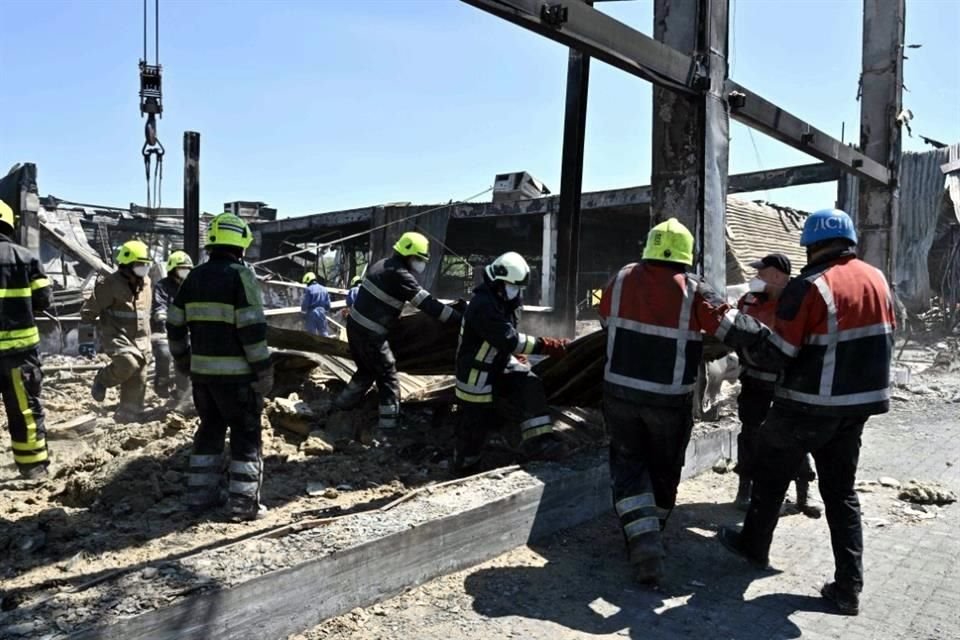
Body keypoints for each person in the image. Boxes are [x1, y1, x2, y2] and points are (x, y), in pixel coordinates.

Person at [718, 209, 895, 616]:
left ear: (812, 246)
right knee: (841, 493)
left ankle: (754, 546)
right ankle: (848, 587)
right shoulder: (877, 278)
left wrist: (740, 335)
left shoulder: (809, 287)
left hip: (809, 404)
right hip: (858, 407)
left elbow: (780, 355)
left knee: (770, 471)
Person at [598, 217, 764, 585]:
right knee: (663, 468)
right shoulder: (693, 288)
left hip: (619, 394)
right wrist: (765, 331)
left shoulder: (622, 277)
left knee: (627, 466)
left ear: (649, 246)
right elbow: (732, 328)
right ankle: (649, 538)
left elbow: (605, 317)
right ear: (687, 254)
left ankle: (642, 540)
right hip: (667, 402)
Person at [166, 213, 273, 521]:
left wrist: (183, 359)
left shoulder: (194, 277)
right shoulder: (242, 276)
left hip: (203, 380)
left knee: (209, 431)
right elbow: (252, 331)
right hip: (238, 380)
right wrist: (264, 370)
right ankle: (243, 505)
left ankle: (199, 496)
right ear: (241, 244)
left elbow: (173, 322)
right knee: (246, 435)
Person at [454, 252, 569, 473]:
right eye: (514, 286)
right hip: (475, 375)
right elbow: (509, 339)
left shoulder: (505, 299)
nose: (517, 292)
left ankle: (539, 443)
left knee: (530, 384)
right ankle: (466, 465)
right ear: (498, 281)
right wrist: (546, 345)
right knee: (475, 424)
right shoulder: (483, 305)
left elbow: (510, 334)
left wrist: (518, 358)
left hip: (499, 363)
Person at [334, 231, 460, 429]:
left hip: (355, 330)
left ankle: (340, 405)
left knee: (366, 371)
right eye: (419, 258)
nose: (421, 263)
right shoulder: (399, 274)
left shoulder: (381, 265)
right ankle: (389, 426)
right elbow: (427, 304)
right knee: (387, 374)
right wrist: (458, 319)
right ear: (408, 255)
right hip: (371, 335)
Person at [733, 253, 820, 518]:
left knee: (793, 438)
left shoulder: (797, 303)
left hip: (786, 386)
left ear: (778, 277)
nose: (756, 277)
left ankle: (804, 492)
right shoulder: (748, 302)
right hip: (753, 382)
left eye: (762, 272)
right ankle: (744, 487)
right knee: (749, 434)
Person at [0, 199, 52, 479]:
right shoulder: (27, 258)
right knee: (25, 412)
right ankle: (33, 469)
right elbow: (43, 300)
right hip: (20, 355)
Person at [80, 240, 153, 423]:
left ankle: (126, 417)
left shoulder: (147, 283)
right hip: (117, 337)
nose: (143, 268)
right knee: (127, 364)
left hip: (142, 341)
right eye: (139, 264)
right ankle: (102, 379)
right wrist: (86, 342)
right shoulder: (109, 284)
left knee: (138, 380)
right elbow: (88, 314)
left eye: (145, 264)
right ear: (126, 265)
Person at [151, 250, 193, 402]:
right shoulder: (162, 286)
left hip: (188, 332)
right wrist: (166, 322)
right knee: (164, 352)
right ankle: (161, 381)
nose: (185, 271)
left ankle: (182, 391)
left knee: (186, 357)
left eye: (188, 268)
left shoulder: (193, 286)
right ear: (173, 269)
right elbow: (158, 309)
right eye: (182, 268)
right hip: (164, 331)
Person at [301, 272, 332, 337]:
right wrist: (325, 311)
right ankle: (326, 346)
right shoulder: (324, 289)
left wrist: (303, 312)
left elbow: (305, 303)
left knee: (311, 334)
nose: (307, 285)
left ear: (308, 280)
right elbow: (328, 304)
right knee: (323, 332)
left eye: (307, 283)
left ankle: (312, 346)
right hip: (322, 312)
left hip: (312, 313)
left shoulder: (309, 289)